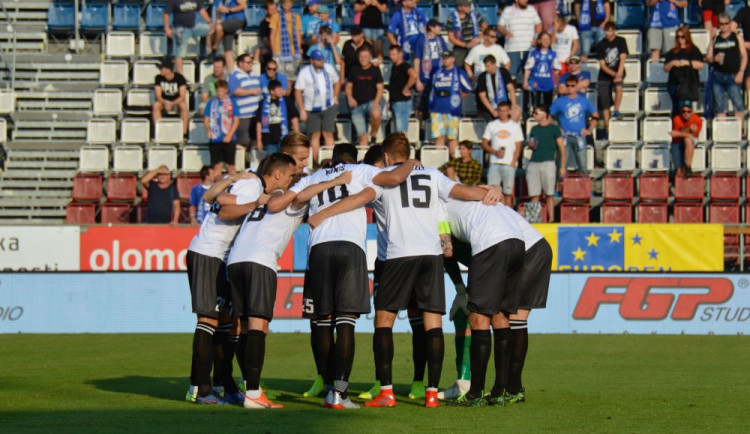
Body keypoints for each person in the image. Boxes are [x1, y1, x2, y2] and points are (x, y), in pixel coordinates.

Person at [304, 133, 502, 409]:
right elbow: (466, 193)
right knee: (432, 323)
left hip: (397, 256)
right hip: (431, 256)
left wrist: (323, 214)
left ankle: (385, 391)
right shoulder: (433, 174)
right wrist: (491, 190)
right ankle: (431, 392)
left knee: (383, 323)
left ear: (386, 156)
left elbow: (358, 199)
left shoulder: (383, 177)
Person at [265, 144, 422, 410]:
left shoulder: (313, 177)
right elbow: (394, 178)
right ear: (353, 158)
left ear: (333, 158)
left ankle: (328, 387)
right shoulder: (361, 170)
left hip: (319, 248)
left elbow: (294, 200)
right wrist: (413, 161)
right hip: (350, 247)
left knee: (322, 323)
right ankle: (339, 392)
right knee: (346, 322)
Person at [225, 153, 351, 409]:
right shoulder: (293, 199)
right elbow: (303, 195)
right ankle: (253, 393)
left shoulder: (266, 198)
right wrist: (334, 182)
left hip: (235, 261)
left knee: (245, 328)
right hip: (260, 260)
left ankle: (249, 386)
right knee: (259, 327)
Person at [443, 203, 552, 406]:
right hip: (533, 245)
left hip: (503, 245)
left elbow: (446, 251)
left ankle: (478, 393)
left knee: (480, 316)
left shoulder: (439, 209)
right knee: (511, 318)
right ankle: (508, 389)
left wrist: (460, 289)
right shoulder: (466, 201)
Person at [184, 170, 259, 405]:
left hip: (223, 259)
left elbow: (214, 198)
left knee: (227, 320)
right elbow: (214, 201)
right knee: (208, 320)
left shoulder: (239, 191)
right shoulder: (250, 188)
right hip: (207, 254)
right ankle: (199, 387)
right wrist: (238, 185)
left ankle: (223, 383)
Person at [295, 49, 341, 165]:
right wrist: (302, 109)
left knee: (328, 133)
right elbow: (297, 91)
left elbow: (337, 81)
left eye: (321, 59)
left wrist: (335, 96)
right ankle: (316, 162)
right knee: (315, 135)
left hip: (328, 106)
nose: (321, 62)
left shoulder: (329, 68)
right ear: (312, 60)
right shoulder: (304, 72)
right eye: (318, 60)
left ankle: (332, 161)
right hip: (311, 108)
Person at [707, 13, 747, 133]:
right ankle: (722, 134)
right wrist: (714, 58)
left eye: (726, 23)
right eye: (721, 24)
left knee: (738, 105)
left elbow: (744, 56)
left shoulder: (736, 37)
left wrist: (741, 72)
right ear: (719, 25)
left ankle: (738, 132)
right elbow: (708, 57)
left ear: (730, 24)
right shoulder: (715, 39)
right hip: (718, 76)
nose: (724, 26)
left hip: (732, 75)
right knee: (720, 107)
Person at [550, 75, 598, 174]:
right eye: (568, 86)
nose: (570, 88)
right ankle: (560, 187)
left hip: (580, 136)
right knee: (561, 166)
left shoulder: (584, 101)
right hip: (565, 136)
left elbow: (595, 116)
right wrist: (556, 128)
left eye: (572, 86)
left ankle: (584, 187)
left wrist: (589, 130)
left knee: (583, 166)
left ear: (577, 86)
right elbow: (548, 116)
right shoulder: (560, 101)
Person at [429, 50, 472, 156]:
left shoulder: (458, 72)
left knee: (452, 137)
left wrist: (457, 99)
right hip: (437, 109)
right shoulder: (437, 72)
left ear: (453, 59)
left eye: (447, 58)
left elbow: (467, 88)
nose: (445, 60)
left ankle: (454, 161)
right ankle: (440, 162)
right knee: (439, 137)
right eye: (443, 58)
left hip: (452, 110)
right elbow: (432, 89)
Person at [526, 105, 564, 223]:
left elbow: (561, 148)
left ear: (544, 114)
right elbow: (532, 145)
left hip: (548, 162)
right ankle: (534, 219)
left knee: (549, 193)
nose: (534, 116)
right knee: (534, 194)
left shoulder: (554, 129)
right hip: (534, 161)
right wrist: (531, 146)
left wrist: (562, 166)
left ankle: (551, 219)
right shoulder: (534, 129)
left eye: (536, 113)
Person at [481, 101, 524, 206]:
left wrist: (514, 161)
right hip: (494, 163)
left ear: (509, 111)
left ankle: (508, 214)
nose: (502, 113)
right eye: (500, 111)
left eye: (505, 111)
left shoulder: (515, 126)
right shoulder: (492, 125)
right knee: (492, 191)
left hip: (509, 164)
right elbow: (484, 143)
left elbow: (518, 146)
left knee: (508, 192)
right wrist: (495, 151)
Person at [346, 46, 385, 147]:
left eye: (366, 57)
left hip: (371, 102)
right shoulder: (353, 69)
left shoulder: (375, 70)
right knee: (362, 139)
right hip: (357, 105)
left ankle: (374, 135)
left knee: (376, 113)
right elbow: (349, 86)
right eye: (361, 56)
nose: (363, 59)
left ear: (370, 57)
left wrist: (376, 103)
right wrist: (350, 98)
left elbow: (380, 88)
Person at [498, 0, 543, 85]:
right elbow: (500, 26)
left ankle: (528, 95)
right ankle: (512, 95)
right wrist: (505, 32)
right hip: (512, 48)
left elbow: (539, 24)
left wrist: (536, 38)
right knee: (511, 76)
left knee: (529, 75)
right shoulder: (507, 10)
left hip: (529, 48)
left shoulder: (531, 9)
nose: (526, 1)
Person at [164, 0, 214, 74]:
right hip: (180, 28)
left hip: (193, 27)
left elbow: (201, 10)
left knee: (213, 29)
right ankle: (180, 76)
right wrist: (167, 28)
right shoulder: (173, 1)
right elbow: (166, 14)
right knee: (179, 53)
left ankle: (209, 49)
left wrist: (209, 22)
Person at [664, 26, 704, 116]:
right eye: (678, 37)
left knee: (686, 107)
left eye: (682, 37)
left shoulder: (694, 50)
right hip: (674, 83)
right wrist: (673, 63)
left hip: (688, 83)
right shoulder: (672, 52)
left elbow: (701, 65)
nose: (680, 39)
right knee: (676, 107)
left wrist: (687, 63)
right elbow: (665, 68)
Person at [596, 22, 628, 132]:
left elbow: (623, 57)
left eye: (609, 31)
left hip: (618, 70)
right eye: (606, 31)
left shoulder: (621, 41)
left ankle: (616, 110)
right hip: (604, 75)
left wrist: (619, 73)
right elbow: (602, 65)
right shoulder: (601, 44)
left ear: (614, 31)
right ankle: (607, 128)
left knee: (619, 87)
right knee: (605, 103)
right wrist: (613, 74)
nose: (607, 33)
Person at [204, 79, 240, 175]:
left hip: (229, 139)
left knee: (231, 166)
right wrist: (208, 131)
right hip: (215, 138)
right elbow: (206, 119)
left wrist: (229, 135)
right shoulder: (211, 103)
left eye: (221, 90)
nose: (219, 93)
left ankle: (234, 188)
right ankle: (218, 188)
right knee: (217, 167)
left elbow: (236, 121)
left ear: (226, 90)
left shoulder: (232, 103)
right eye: (217, 90)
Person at [413, 19, 448, 118]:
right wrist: (417, 79)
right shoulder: (421, 39)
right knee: (421, 108)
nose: (440, 28)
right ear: (431, 28)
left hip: (438, 79)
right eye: (438, 26)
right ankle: (421, 130)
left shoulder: (440, 39)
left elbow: (446, 57)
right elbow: (417, 59)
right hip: (424, 78)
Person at [228, 54, 262, 150]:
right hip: (243, 115)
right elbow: (235, 90)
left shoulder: (253, 74)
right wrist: (251, 91)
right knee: (244, 141)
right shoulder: (235, 75)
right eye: (248, 62)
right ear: (240, 63)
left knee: (254, 140)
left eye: (251, 62)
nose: (250, 65)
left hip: (255, 114)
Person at [523, 31, 562, 109]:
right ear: (539, 40)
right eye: (543, 39)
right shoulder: (534, 53)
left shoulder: (553, 54)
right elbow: (528, 69)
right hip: (535, 83)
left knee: (548, 106)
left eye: (547, 39)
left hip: (548, 84)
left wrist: (557, 84)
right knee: (536, 106)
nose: (546, 41)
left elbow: (556, 70)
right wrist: (525, 81)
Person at [475, 55, 519, 123]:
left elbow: (511, 89)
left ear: (494, 64)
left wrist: (513, 104)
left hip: (504, 104)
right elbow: (482, 96)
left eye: (488, 66)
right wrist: (492, 111)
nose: (487, 69)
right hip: (489, 107)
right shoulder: (482, 77)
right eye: (486, 66)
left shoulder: (504, 72)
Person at [153, 58, 189, 137]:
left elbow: (182, 96)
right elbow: (158, 95)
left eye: (161, 68)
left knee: (183, 105)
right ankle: (160, 131)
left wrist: (172, 104)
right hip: (164, 101)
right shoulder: (158, 78)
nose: (160, 70)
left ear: (168, 69)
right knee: (156, 105)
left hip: (176, 101)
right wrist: (165, 103)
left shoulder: (180, 78)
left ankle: (183, 133)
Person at [270, 0, 303, 83]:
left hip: (293, 52)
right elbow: (272, 35)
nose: (287, 5)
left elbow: (298, 35)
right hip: (279, 51)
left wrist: (298, 50)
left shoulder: (296, 16)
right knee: (280, 77)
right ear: (282, 4)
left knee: (291, 78)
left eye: (289, 3)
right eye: (285, 3)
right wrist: (274, 52)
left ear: (292, 4)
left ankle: (287, 95)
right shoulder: (276, 16)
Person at [447, 0, 487, 68]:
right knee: (458, 67)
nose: (469, 7)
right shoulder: (451, 18)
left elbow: (485, 27)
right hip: (460, 48)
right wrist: (466, 45)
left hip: (474, 45)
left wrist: (478, 39)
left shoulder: (475, 15)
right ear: (460, 7)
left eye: (469, 6)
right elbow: (451, 38)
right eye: (466, 6)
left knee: (475, 66)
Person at [388, 45, 417, 134]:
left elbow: (414, 75)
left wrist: (406, 87)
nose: (391, 57)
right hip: (395, 101)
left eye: (394, 54)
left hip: (402, 102)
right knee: (398, 131)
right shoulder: (394, 67)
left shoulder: (404, 66)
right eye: (390, 54)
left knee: (402, 131)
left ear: (400, 54)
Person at [256, 80, 290, 153]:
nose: (281, 91)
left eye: (281, 89)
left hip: (283, 137)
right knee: (272, 161)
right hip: (269, 139)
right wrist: (259, 141)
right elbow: (259, 122)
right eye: (279, 90)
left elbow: (294, 119)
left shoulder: (285, 101)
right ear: (272, 91)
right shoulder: (263, 103)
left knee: (283, 161)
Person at [669, 102, 702, 178]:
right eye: (684, 111)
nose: (686, 114)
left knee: (688, 140)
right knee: (678, 171)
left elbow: (694, 135)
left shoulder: (697, 120)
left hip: (690, 140)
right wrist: (689, 130)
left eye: (688, 111)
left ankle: (688, 167)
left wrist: (680, 133)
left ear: (692, 112)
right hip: (677, 141)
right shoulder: (677, 119)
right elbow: (676, 136)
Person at [213, 0, 247, 67]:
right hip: (226, 22)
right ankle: (231, 74)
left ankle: (215, 47)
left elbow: (243, 5)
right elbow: (218, 12)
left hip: (238, 19)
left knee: (219, 27)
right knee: (228, 51)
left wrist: (229, 10)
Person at [732, 3, 750, 93]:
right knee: (748, 75)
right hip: (748, 47)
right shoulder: (744, 11)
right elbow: (732, 27)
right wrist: (742, 42)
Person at [258, 0, 278, 68]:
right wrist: (273, 46)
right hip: (269, 47)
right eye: (272, 10)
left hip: (281, 46)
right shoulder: (263, 24)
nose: (274, 11)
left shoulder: (281, 21)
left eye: (275, 9)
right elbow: (265, 40)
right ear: (266, 11)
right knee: (258, 50)